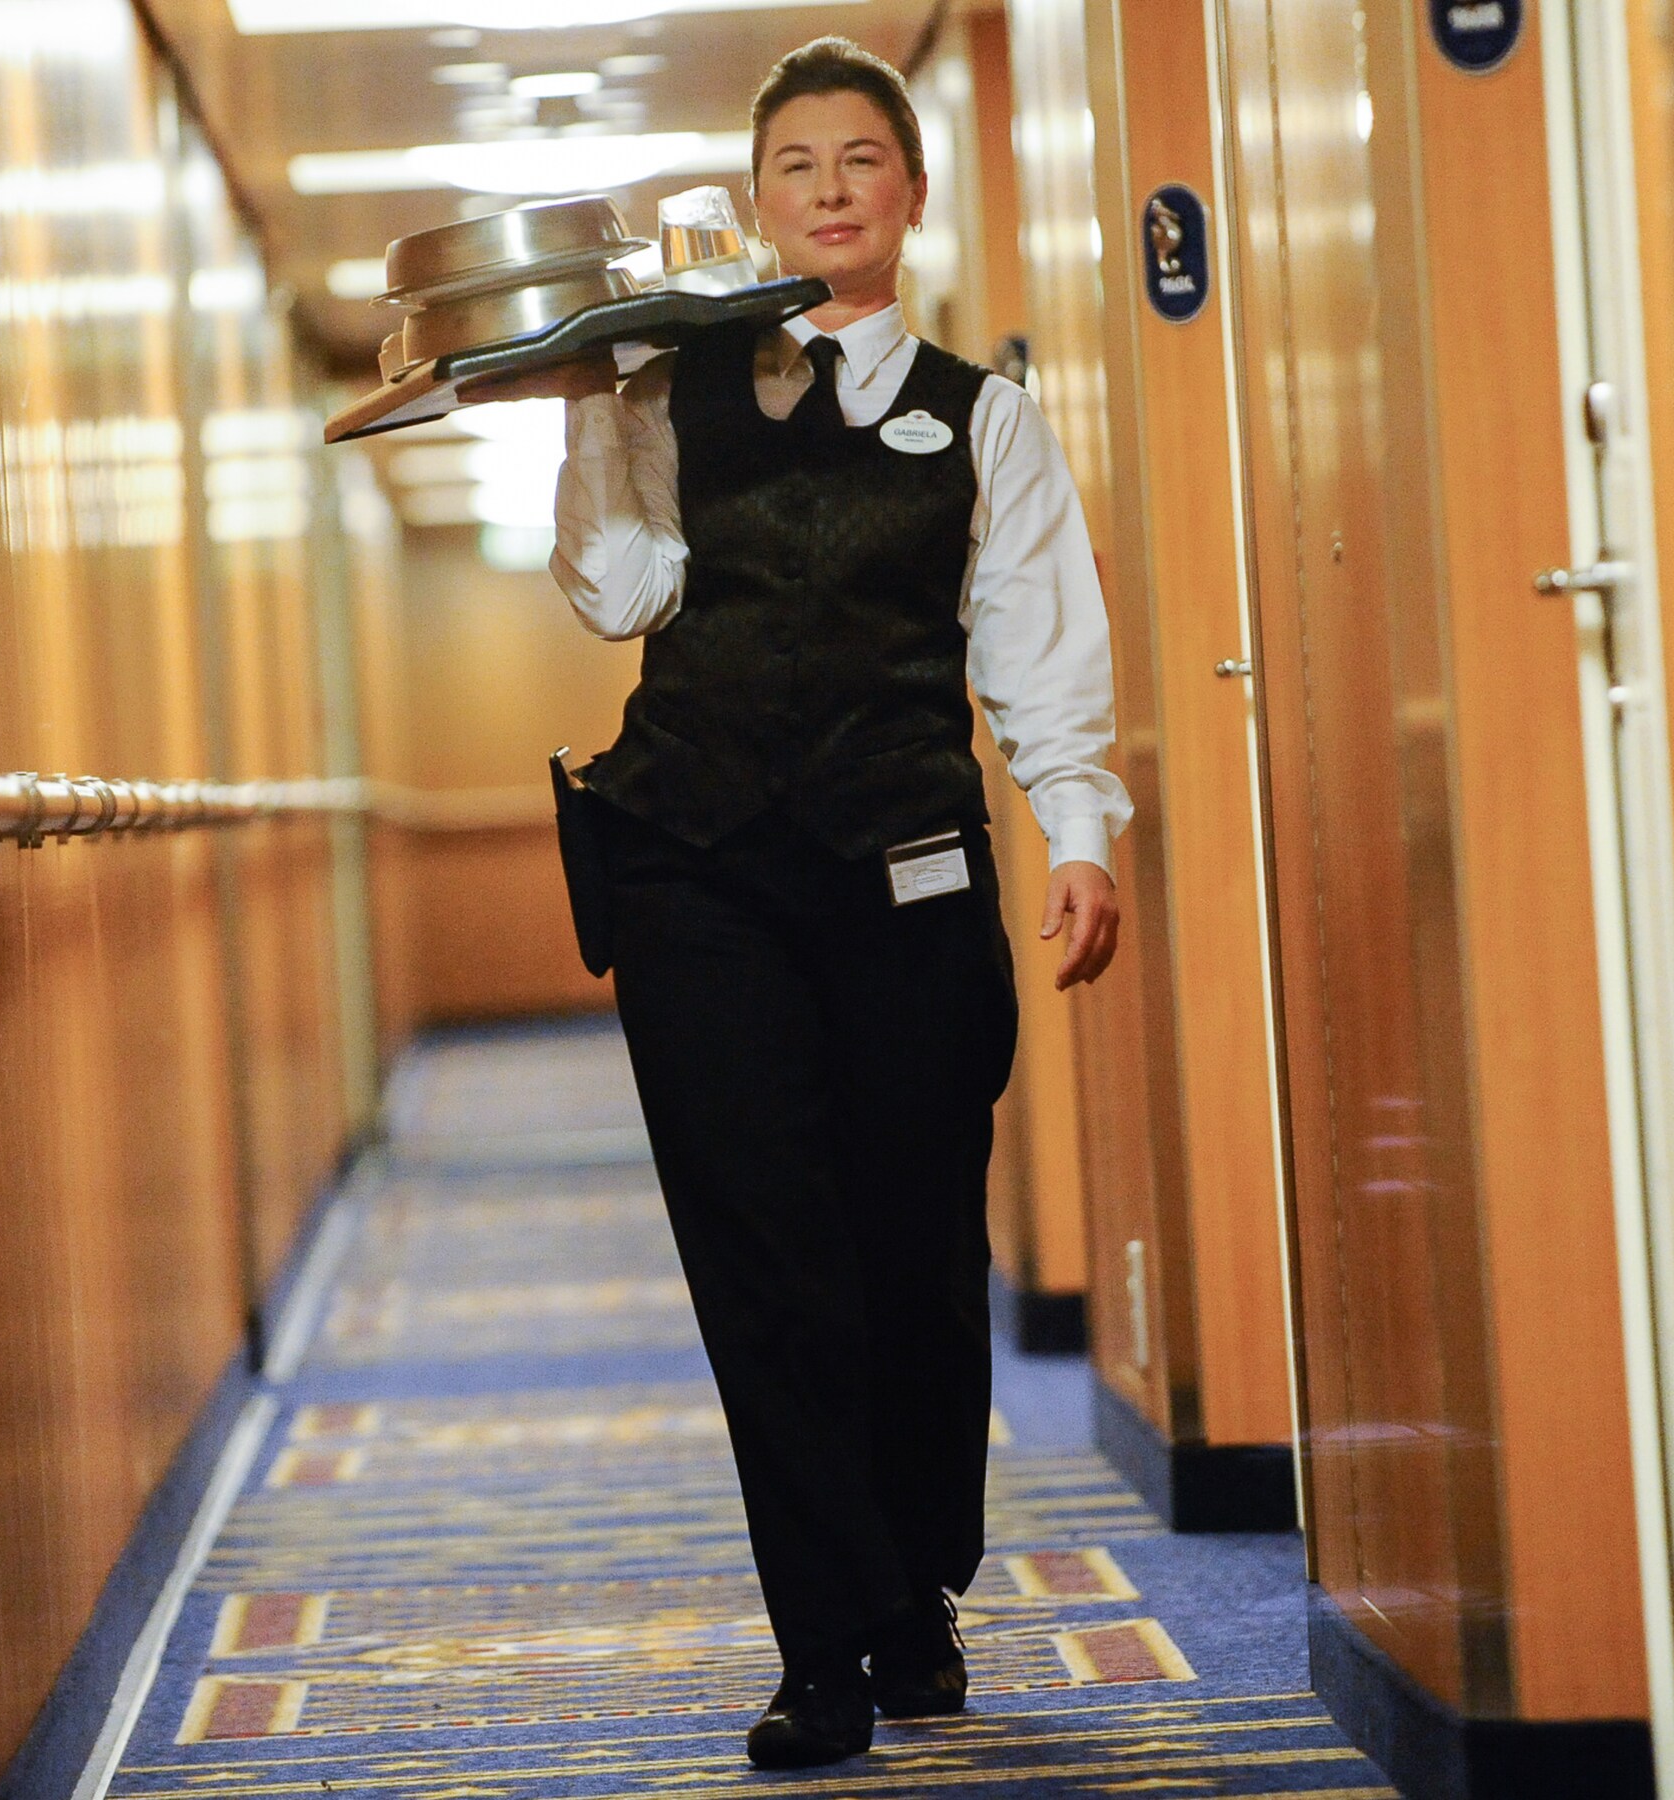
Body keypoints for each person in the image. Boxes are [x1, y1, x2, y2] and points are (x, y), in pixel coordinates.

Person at [486, 32, 1129, 1772]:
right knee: (765, 1256)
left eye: (860, 163)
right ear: (755, 203)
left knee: (911, 1252)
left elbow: (1041, 659)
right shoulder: (663, 391)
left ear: (909, 197)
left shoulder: (983, 418)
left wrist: (1078, 829)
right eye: (796, 168)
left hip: (904, 872)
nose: (829, 192)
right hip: (696, 867)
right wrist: (592, 422)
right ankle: (822, 1649)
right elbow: (620, 600)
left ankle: (913, 1586)